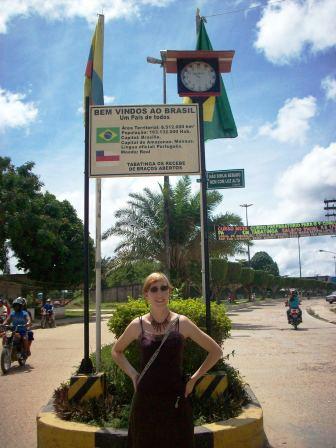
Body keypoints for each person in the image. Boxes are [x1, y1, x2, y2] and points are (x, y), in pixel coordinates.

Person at [112, 272, 223, 448]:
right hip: (145, 401)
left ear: (170, 291)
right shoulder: (137, 325)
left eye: (164, 288)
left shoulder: (182, 323)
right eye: (153, 289)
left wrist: (193, 380)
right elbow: (116, 351)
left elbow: (215, 351)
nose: (159, 293)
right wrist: (133, 375)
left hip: (176, 400)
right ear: (146, 295)